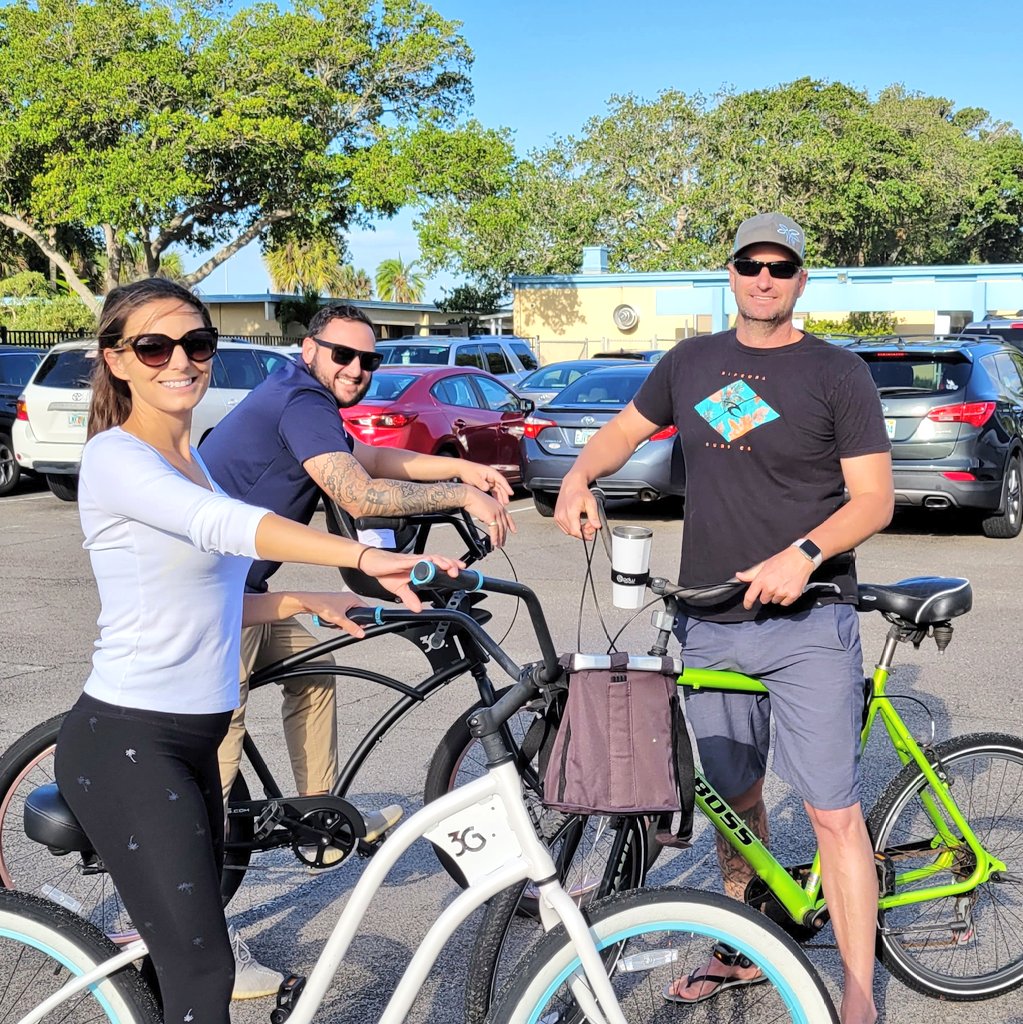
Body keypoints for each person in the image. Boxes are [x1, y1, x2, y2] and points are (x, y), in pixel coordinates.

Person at [53, 278, 462, 1024]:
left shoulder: (190, 459)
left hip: (189, 741)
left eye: (196, 343)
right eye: (153, 346)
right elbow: (221, 526)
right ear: (116, 360)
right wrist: (362, 557)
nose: (180, 360)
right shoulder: (118, 458)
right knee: (206, 973)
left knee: (184, 963)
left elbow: (203, 597)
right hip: (129, 741)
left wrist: (307, 598)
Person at [554, 212, 893, 1024]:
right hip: (708, 619)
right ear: (732, 273)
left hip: (810, 621)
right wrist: (576, 478)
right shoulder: (690, 363)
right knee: (734, 801)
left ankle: (853, 992)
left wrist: (802, 554)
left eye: (781, 266)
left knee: (831, 812)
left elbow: (873, 499)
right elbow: (621, 433)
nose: (764, 278)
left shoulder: (836, 373)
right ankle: (743, 947)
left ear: (800, 279)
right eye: (751, 264)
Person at [199, 303, 515, 995]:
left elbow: (364, 455)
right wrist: (460, 495)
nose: (355, 369)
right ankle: (199, 937)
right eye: (342, 354)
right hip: (201, 606)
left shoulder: (300, 398)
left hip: (241, 594)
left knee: (315, 660)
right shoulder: (296, 395)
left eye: (368, 360)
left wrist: (457, 471)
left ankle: (319, 813)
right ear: (309, 348)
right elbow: (360, 494)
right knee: (213, 766)